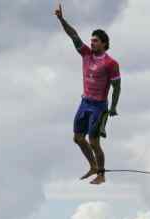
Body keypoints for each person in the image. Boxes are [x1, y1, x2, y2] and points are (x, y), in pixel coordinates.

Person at [55, 3, 121, 185]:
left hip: (99, 107)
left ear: (104, 44)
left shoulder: (111, 63)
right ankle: (92, 166)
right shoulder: (86, 54)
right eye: (91, 40)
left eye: (96, 41)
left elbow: (117, 86)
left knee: (94, 142)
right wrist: (62, 20)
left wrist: (113, 107)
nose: (91, 43)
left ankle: (101, 174)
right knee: (77, 138)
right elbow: (73, 36)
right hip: (85, 103)